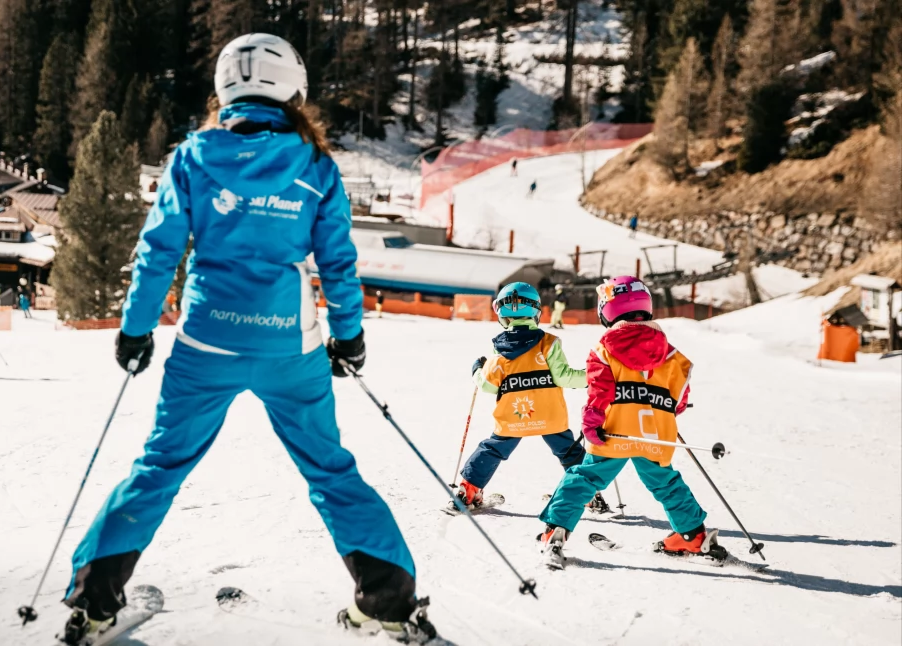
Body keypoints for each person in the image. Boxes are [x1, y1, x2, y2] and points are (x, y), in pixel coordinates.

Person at [59, 33, 435, 646]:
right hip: (290, 347)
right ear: (293, 90)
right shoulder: (314, 165)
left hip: (206, 344)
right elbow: (338, 263)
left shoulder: (194, 156)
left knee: (160, 465)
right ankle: (389, 600)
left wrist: (135, 328)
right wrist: (349, 337)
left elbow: (158, 252)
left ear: (224, 88)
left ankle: (95, 601)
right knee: (330, 470)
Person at [539, 276, 712, 569]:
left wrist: (591, 423)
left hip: (613, 433)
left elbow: (599, 390)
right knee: (666, 483)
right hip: (654, 435)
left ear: (606, 309)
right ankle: (693, 536)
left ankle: (556, 530)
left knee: (586, 478)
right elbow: (680, 398)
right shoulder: (671, 354)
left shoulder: (604, 348)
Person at [450, 282, 607, 513]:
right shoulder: (549, 343)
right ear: (536, 311)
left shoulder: (500, 350)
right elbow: (564, 377)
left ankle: (468, 489)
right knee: (569, 451)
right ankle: (588, 493)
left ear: (501, 313)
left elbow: (487, 385)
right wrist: (593, 377)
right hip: (550, 416)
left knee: (492, 449)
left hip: (513, 417)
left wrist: (477, 370)